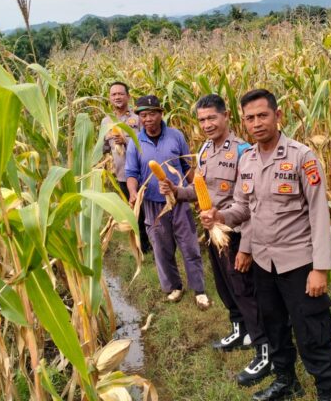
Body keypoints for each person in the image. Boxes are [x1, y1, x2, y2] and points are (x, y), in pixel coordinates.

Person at [201, 89, 331, 401]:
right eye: (250, 118)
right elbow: (243, 208)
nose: (256, 123)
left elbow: (319, 214)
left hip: (298, 263)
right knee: (273, 325)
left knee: (312, 331)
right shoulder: (247, 160)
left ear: (278, 116)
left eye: (262, 115)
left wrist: (320, 268)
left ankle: (327, 391)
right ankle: (286, 381)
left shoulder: (301, 157)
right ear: (243, 122)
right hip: (264, 262)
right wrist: (220, 216)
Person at [158, 94, 270, 386]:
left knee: (245, 291)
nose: (207, 124)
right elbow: (200, 192)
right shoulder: (206, 150)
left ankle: (265, 349)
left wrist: (244, 246)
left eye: (212, 118)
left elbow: (252, 203)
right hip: (213, 231)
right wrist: (176, 191)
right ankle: (240, 330)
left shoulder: (244, 152)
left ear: (226, 116)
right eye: (202, 120)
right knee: (225, 287)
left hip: (237, 233)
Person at [125, 95, 211, 309]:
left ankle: (199, 289)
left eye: (151, 114)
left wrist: (197, 194)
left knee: (189, 246)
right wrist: (133, 192)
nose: (147, 119)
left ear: (161, 114)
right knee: (161, 248)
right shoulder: (135, 141)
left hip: (179, 200)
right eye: (143, 115)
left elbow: (187, 168)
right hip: (153, 203)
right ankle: (174, 287)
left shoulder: (176, 136)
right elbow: (132, 173)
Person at [101, 81, 151, 253]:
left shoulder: (138, 118)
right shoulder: (106, 121)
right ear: (110, 98)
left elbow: (147, 143)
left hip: (142, 172)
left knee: (146, 210)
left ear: (128, 96)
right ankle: (140, 244)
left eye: (120, 94)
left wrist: (127, 140)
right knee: (132, 211)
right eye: (113, 94)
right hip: (121, 174)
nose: (117, 97)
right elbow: (104, 147)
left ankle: (153, 243)